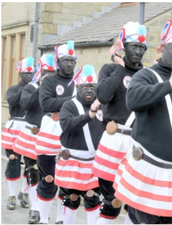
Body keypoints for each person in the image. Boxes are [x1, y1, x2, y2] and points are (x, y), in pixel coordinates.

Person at [113, 17, 172, 224]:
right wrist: (171, 83)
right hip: (150, 170)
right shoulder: (145, 75)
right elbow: (133, 100)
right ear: (162, 47)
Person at [92, 21, 147, 224]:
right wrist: (120, 68)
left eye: (142, 47)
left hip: (136, 144)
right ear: (123, 46)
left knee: (135, 203)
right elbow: (104, 95)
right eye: (134, 46)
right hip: (113, 141)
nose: (138, 51)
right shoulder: (108, 70)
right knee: (111, 202)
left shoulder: (147, 76)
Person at [35, 40, 77, 224]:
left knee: (66, 183)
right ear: (58, 62)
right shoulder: (49, 80)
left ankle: (60, 219)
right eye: (66, 60)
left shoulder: (79, 81)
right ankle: (44, 219)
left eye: (72, 60)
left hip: (72, 135)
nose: (69, 63)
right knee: (49, 180)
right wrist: (73, 100)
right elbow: (46, 103)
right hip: (50, 133)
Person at [55, 65, 104, 224]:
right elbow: (67, 125)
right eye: (85, 86)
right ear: (77, 87)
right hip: (73, 162)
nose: (89, 90)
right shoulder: (69, 105)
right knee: (70, 200)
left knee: (93, 200)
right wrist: (88, 115)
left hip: (93, 163)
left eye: (92, 86)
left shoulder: (102, 105)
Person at [13, 54, 56, 223]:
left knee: (49, 176)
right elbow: (25, 104)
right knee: (32, 171)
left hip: (52, 137)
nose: (49, 74)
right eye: (46, 71)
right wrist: (39, 86)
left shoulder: (59, 88)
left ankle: (44, 208)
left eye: (53, 71)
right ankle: (35, 207)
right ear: (40, 70)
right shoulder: (31, 87)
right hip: (32, 135)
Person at [1, 57, 34, 211]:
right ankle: (12, 195)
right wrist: (25, 89)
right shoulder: (13, 89)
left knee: (31, 166)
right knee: (14, 163)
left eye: (32, 73)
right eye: (26, 73)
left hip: (29, 129)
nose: (30, 76)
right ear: (20, 74)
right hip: (14, 128)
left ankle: (24, 193)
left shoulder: (36, 89)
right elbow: (13, 101)